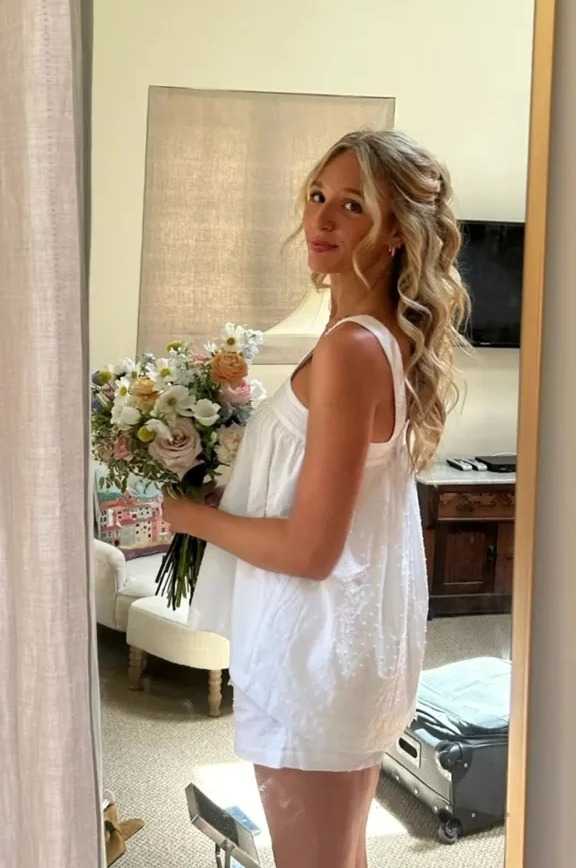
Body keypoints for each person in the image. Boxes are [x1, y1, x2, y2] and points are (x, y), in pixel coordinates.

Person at [161, 129, 470, 868]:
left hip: (316, 656)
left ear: (397, 233)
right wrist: (221, 487)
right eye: (317, 197)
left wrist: (182, 515)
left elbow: (309, 548)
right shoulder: (368, 340)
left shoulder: (351, 350)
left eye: (352, 206)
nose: (322, 220)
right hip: (334, 651)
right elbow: (319, 500)